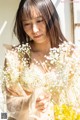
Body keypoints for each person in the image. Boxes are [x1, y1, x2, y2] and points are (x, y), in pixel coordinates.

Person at [3, 0, 80, 120]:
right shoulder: (15, 56)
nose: (34, 30)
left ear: (51, 18)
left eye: (39, 21)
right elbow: (10, 103)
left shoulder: (71, 54)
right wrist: (30, 101)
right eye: (27, 24)